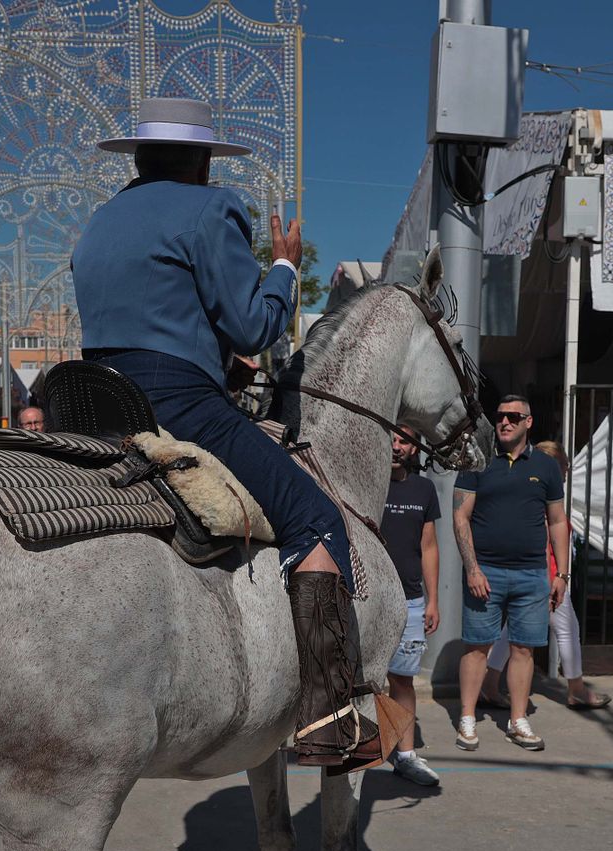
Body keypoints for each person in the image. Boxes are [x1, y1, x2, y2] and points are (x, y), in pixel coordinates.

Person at [72, 96, 378, 768]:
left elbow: (145, 315)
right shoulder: (211, 209)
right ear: (204, 162)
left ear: (139, 158)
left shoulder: (101, 219)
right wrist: (284, 268)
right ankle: (331, 717)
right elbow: (252, 326)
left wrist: (210, 357)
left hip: (91, 400)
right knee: (316, 517)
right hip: (173, 402)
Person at [451, 395, 570, 753]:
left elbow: (558, 521)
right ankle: (467, 717)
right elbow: (460, 517)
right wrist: (472, 569)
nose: (504, 422)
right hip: (485, 573)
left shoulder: (546, 467)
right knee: (477, 647)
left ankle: (518, 721)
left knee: (523, 649)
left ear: (528, 422)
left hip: (532, 575)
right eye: (500, 416)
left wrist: (562, 574)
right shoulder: (477, 460)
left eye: (513, 417)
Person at [483, 441, 611, 711]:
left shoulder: (534, 495)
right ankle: (576, 689)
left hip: (537, 576)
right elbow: (542, 546)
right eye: (564, 466)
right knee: (567, 630)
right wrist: (554, 579)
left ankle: (490, 684)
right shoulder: (544, 499)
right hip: (545, 578)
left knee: (511, 631)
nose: (566, 472)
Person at [378, 431, 440, 786]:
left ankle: (405, 755)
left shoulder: (424, 489)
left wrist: (433, 600)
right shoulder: (369, 484)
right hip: (368, 597)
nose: (395, 446)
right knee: (360, 679)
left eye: (403, 441)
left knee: (402, 678)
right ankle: (357, 748)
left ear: (414, 448)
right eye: (391, 439)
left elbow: (428, 547)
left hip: (411, 600)